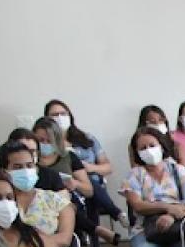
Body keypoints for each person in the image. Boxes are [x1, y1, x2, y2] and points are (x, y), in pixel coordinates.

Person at [43, 98, 125, 231]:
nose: (59, 117)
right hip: (66, 185)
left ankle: (94, 242)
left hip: (90, 182)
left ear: (70, 116)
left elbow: (108, 167)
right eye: (54, 115)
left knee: (90, 186)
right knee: (86, 190)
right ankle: (114, 214)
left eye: (63, 114)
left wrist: (89, 167)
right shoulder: (46, 143)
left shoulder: (87, 139)